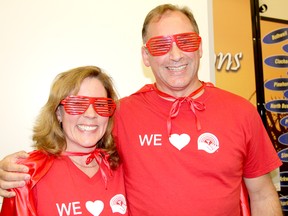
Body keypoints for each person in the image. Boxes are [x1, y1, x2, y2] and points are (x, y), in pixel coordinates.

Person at [0, 4, 283, 216]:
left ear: (199, 48)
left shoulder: (241, 112)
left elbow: (262, 195)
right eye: (160, 46)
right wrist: (12, 170)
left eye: (185, 42)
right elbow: (72, 146)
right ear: (146, 56)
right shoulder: (120, 114)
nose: (175, 55)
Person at [0, 66, 128, 215]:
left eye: (101, 105)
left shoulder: (122, 166)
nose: (91, 114)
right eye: (77, 104)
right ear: (58, 113)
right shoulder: (28, 173)